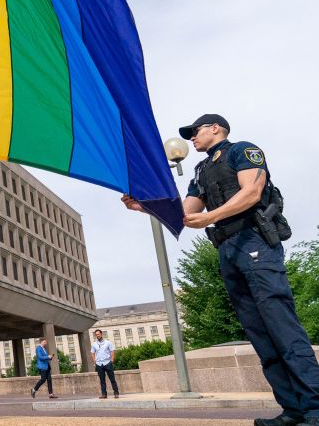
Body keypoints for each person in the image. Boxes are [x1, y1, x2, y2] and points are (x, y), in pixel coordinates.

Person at [123, 113, 319, 426]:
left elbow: (252, 192)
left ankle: (314, 407)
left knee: (281, 327)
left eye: (195, 131)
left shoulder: (242, 150)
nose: (191, 138)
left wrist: (211, 215)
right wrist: (143, 205)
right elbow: (185, 213)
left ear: (216, 128)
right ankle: (293, 410)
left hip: (255, 242)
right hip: (228, 250)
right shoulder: (200, 171)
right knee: (260, 335)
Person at [91, 330, 119, 399]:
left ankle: (116, 393)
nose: (98, 335)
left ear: (101, 334)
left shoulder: (108, 343)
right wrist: (94, 361)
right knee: (102, 380)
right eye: (96, 334)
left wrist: (111, 360)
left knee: (112, 379)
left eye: (98, 334)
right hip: (99, 364)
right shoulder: (94, 344)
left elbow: (112, 351)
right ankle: (104, 394)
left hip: (107, 363)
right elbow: (92, 353)